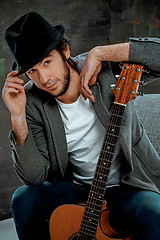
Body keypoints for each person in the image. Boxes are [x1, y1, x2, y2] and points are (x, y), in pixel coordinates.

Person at [2, 11, 160, 240]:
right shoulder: (31, 100)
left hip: (130, 184)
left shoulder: (103, 67)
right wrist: (17, 117)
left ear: (65, 51)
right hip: (78, 187)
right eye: (32, 71)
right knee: (23, 199)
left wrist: (101, 52)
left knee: (154, 212)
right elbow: (34, 177)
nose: (44, 78)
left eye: (47, 62)